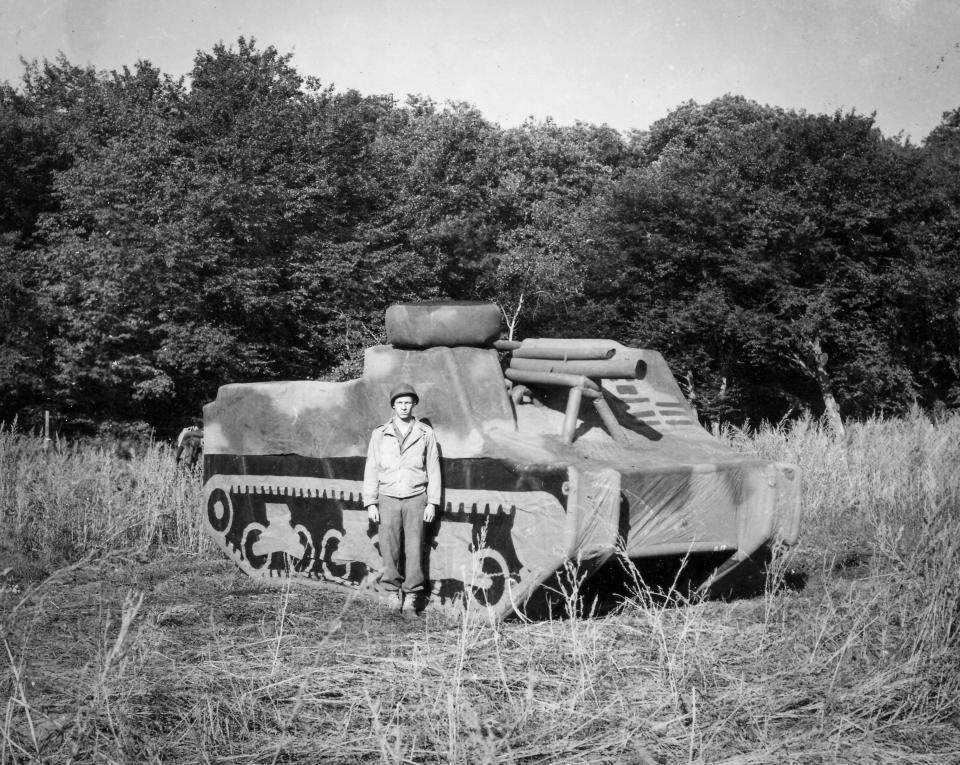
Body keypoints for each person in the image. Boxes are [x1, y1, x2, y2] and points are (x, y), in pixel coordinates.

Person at [363, 383, 440, 616]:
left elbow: (433, 468)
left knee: (415, 548)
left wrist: (433, 502)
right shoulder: (380, 433)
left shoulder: (425, 433)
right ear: (393, 406)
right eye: (400, 403)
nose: (404, 407)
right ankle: (392, 593)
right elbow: (372, 467)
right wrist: (371, 502)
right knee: (390, 548)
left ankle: (412, 597)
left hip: (416, 498)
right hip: (388, 497)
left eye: (408, 402)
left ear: (414, 404)